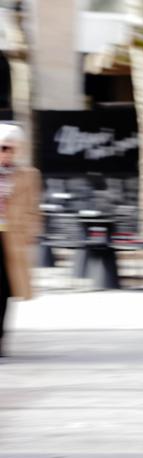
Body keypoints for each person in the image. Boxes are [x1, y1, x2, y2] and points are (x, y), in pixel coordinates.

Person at [0, 124, 40, 358]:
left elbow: (34, 209)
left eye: (12, 148)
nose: (8, 153)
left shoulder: (29, 175)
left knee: (5, 291)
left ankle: (1, 338)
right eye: (3, 148)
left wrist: (27, 234)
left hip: (12, 241)